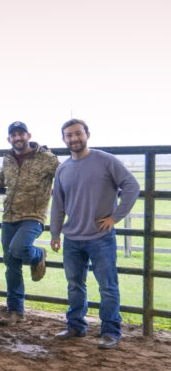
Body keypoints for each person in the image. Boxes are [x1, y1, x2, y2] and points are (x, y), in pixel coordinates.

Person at [50, 119, 140, 349]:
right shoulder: (63, 168)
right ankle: (76, 326)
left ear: (87, 134)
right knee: (74, 284)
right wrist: (55, 233)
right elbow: (58, 204)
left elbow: (132, 185)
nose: (74, 139)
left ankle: (110, 332)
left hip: (101, 237)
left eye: (78, 134)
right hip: (72, 238)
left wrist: (115, 217)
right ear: (64, 140)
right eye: (69, 135)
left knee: (107, 286)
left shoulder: (105, 161)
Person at [0, 122, 59, 326]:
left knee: (19, 248)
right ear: (9, 139)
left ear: (28, 135)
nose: (17, 138)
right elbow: (1, 180)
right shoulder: (7, 158)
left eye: (21, 134)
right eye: (13, 135)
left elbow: (64, 176)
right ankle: (15, 310)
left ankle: (38, 255)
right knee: (11, 264)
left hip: (33, 216)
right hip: (9, 217)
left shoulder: (47, 158)